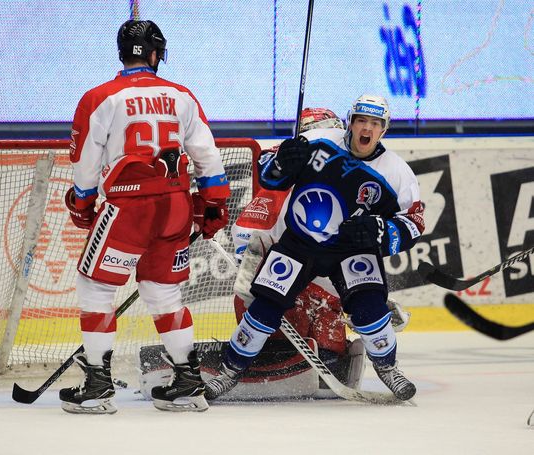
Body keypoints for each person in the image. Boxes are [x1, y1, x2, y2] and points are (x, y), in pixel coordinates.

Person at [205, 95, 425, 402]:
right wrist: (281, 163)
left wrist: (380, 231)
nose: (367, 129)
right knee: (265, 305)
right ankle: (230, 371)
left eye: (375, 124)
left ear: (383, 130)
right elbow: (270, 174)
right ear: (350, 121)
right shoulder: (317, 140)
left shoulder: (396, 172)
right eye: (362, 120)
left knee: (370, 309)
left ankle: (388, 368)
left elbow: (413, 223)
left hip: (351, 249)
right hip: (300, 243)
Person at [62, 19, 230, 414]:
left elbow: (86, 161)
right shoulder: (181, 95)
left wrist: (83, 203)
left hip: (128, 210)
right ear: (156, 54)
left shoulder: (100, 97)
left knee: (96, 287)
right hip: (174, 208)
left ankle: (98, 384)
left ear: (123, 53)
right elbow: (208, 156)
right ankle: (188, 382)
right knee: (163, 291)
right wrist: (213, 204)